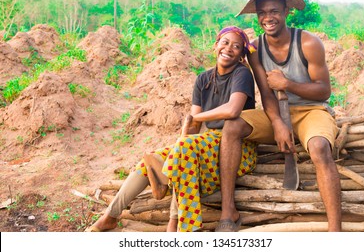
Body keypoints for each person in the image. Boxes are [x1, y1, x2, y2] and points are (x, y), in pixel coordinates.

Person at [85, 26, 257, 232]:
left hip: (237, 148)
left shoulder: (242, 73)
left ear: (241, 55)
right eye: (225, 42)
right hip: (205, 146)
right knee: (150, 161)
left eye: (237, 46)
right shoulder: (203, 79)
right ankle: (110, 215)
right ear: (216, 45)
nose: (229, 48)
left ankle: (181, 221)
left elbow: (232, 110)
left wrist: (193, 119)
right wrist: (182, 140)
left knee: (184, 151)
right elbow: (192, 128)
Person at [216, 0, 342, 232]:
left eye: (274, 11)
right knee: (232, 126)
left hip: (311, 111)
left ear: (286, 11)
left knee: (318, 147)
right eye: (262, 13)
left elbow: (324, 90)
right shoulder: (255, 49)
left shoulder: (308, 42)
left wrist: (288, 84)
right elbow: (266, 92)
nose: (267, 18)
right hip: (275, 112)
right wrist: (277, 123)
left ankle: (334, 231)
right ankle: (227, 210)